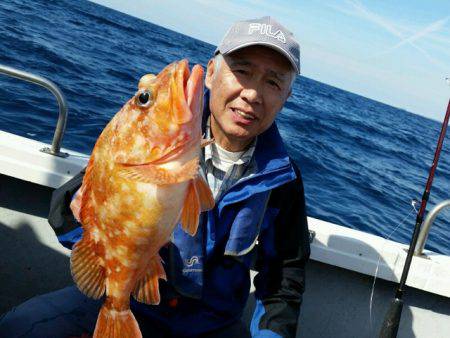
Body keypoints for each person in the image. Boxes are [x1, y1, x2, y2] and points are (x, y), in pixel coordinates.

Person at [0, 16, 310, 338]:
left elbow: (284, 277)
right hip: (134, 300)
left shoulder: (282, 179)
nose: (252, 94)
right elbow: (69, 208)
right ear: (212, 73)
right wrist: (88, 218)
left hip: (211, 326)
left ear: (286, 97)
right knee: (21, 328)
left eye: (273, 82)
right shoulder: (147, 139)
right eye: (242, 71)